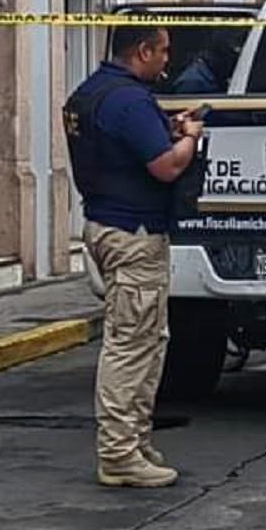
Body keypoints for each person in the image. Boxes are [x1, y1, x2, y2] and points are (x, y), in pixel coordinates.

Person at [64, 26, 204, 488]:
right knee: (131, 345)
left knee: (148, 338)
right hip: (133, 231)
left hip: (107, 224)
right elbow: (166, 166)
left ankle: (135, 442)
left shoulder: (89, 94)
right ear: (141, 50)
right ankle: (120, 453)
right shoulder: (129, 101)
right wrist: (190, 138)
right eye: (162, 51)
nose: (167, 61)